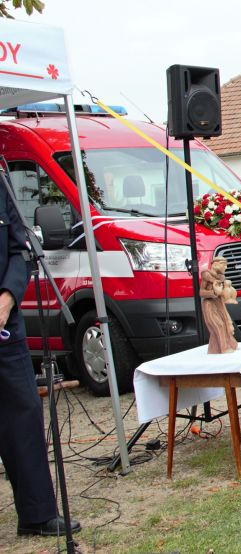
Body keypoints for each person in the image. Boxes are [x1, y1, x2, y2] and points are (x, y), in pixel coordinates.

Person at [0, 181, 81, 537]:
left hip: (5, 326)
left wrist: (7, 299)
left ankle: (37, 514)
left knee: (23, 416)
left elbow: (19, 251)